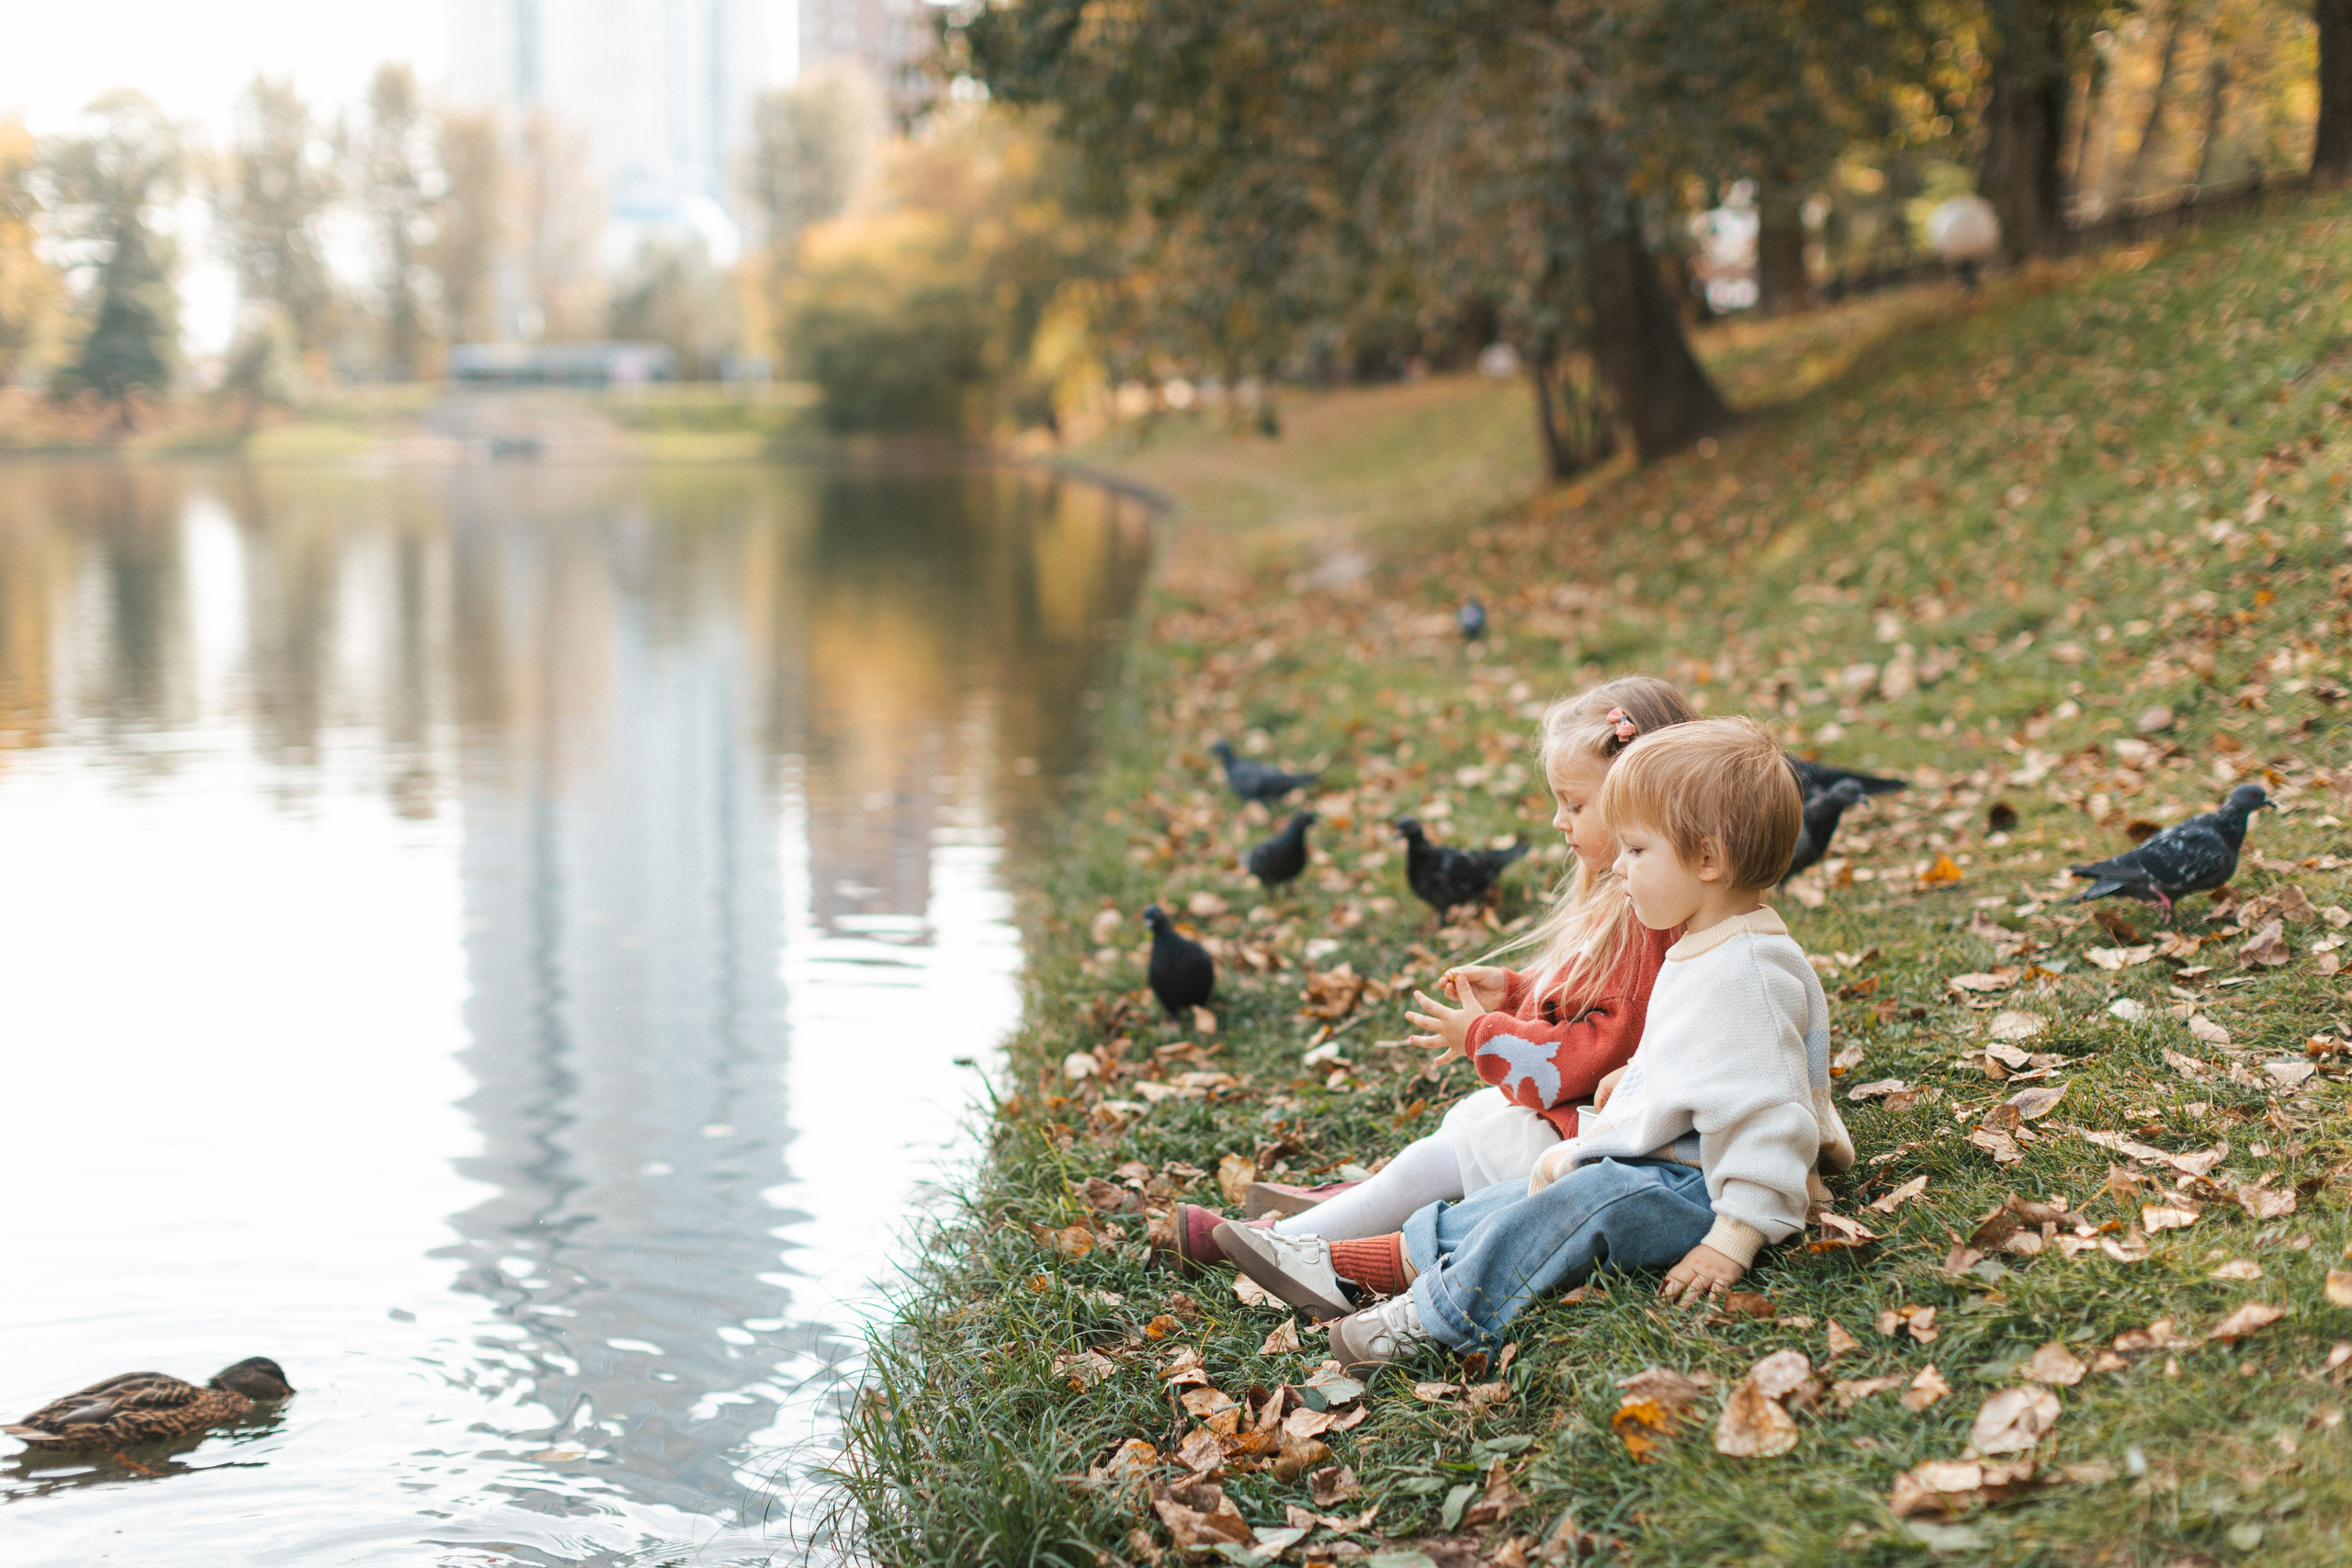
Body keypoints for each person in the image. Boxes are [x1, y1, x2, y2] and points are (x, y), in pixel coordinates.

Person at [1217, 717, 1854, 1369]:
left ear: (1709, 860)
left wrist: (1735, 1236)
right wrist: (1636, 1080)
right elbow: (1697, 1054)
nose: (1620, 867)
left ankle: (1440, 1312)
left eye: (1637, 850)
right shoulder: (1707, 943)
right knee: (1520, 1195)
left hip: (1712, 1191)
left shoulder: (1748, 972)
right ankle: (1352, 1266)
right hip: (1681, 1160)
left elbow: (1769, 1116)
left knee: (1578, 1203)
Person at [1160, 675, 1697, 1277]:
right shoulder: (1630, 899)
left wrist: (1485, 1037)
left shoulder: (1644, 921)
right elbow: (1590, 1000)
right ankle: (1349, 1206)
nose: (1557, 821)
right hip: (1588, 1117)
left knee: (1445, 1154)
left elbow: (1591, 1055)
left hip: (1608, 1137)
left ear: (1638, 804)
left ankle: (1278, 1242)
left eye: (1574, 805)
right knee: (1463, 1128)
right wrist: (1516, 991)